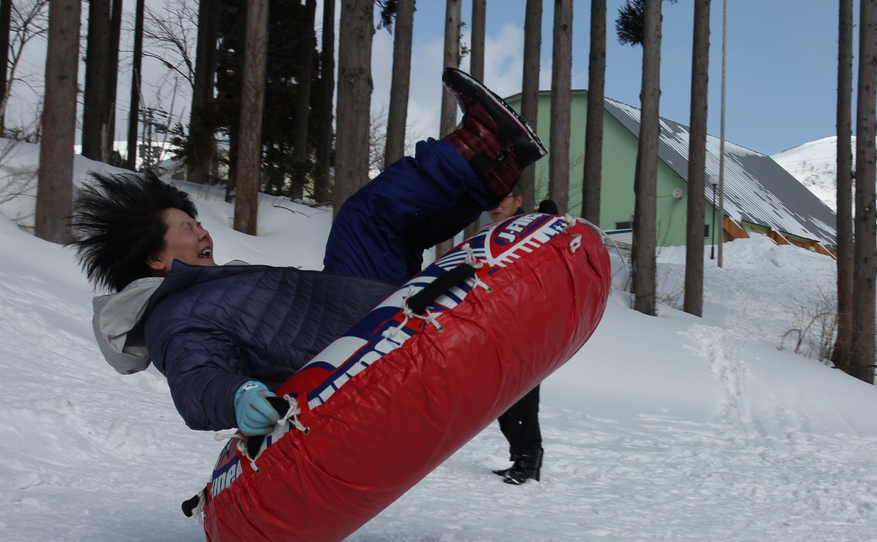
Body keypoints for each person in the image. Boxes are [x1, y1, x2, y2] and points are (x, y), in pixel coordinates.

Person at [72, 69, 545, 436]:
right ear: (155, 258)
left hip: (350, 311)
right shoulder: (174, 318)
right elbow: (196, 381)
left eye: (197, 223)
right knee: (368, 217)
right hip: (355, 351)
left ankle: (494, 161)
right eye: (187, 227)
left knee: (370, 220)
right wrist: (239, 397)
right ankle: (483, 150)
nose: (202, 233)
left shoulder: (204, 287)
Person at [487, 195, 560, 485]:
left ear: (518, 200)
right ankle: (522, 456)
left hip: (529, 324)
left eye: (502, 198)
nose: (494, 204)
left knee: (522, 395)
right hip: (501, 325)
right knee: (501, 396)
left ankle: (529, 458)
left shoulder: (535, 229)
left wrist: (551, 222)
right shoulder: (490, 236)